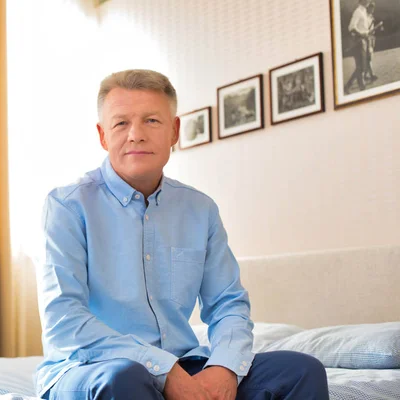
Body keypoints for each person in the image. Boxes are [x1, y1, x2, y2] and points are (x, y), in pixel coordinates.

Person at [35, 69, 329, 400]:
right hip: (89, 368)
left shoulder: (200, 209)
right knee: (125, 377)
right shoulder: (66, 206)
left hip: (185, 363)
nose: (136, 134)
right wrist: (162, 369)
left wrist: (224, 367)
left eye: (151, 121)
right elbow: (65, 321)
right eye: (121, 123)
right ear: (103, 136)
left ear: (174, 131)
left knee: (301, 370)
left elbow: (227, 304)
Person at [344, 0, 371, 93]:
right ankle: (357, 86)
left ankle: (355, 86)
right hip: (359, 42)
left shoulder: (364, 11)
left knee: (362, 66)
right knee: (361, 66)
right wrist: (361, 34)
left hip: (364, 41)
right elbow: (351, 27)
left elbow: (363, 27)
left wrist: (366, 33)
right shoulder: (358, 11)